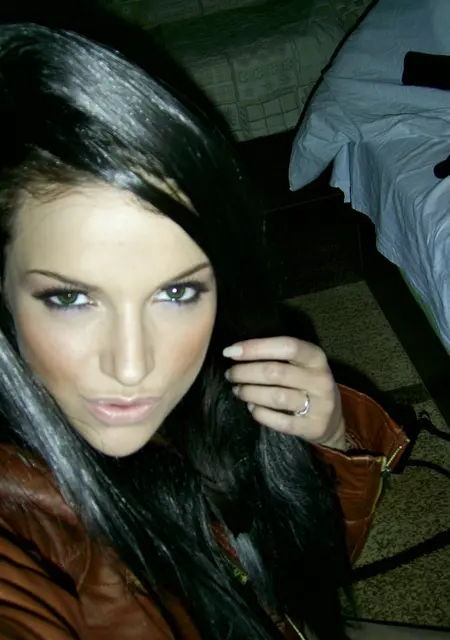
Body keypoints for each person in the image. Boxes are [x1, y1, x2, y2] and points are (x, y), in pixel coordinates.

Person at [0, 12, 444, 640]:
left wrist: (329, 440)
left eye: (176, 291)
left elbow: (294, 588)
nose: (134, 366)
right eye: (71, 298)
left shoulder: (220, 389)